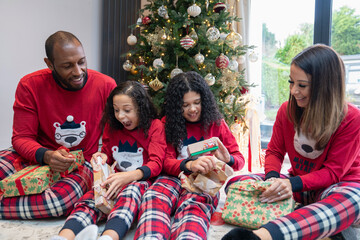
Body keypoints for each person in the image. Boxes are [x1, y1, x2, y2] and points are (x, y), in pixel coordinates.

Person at [222, 44, 360, 240]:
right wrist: (271, 179)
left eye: (302, 85)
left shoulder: (352, 118)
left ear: (325, 86)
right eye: (291, 82)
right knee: (236, 183)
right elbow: (275, 152)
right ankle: (321, 225)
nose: (294, 90)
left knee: (353, 201)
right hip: (301, 189)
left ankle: (263, 236)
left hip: (336, 188)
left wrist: (291, 184)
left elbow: (333, 173)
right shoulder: (286, 110)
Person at [0, 31, 117, 219]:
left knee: (57, 203)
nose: (78, 72)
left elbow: (115, 136)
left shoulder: (105, 85)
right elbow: (21, 138)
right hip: (37, 154)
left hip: (82, 162)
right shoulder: (29, 85)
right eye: (67, 66)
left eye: (81, 62)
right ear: (49, 64)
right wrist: (45, 155)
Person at [135, 71, 245, 240]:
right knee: (153, 197)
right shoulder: (167, 123)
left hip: (204, 180)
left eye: (197, 103)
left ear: (204, 101)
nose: (192, 109)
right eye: (185, 105)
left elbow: (239, 161)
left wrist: (228, 159)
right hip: (172, 177)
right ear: (176, 106)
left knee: (196, 206)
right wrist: (189, 165)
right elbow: (164, 161)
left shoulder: (216, 122)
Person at [51, 81, 167, 240]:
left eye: (127, 110)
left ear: (142, 108)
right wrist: (102, 156)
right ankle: (63, 237)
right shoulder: (112, 125)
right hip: (113, 177)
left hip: (140, 180)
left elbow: (156, 163)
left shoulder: (155, 126)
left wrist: (128, 177)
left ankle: (108, 237)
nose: (120, 116)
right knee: (91, 200)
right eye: (116, 110)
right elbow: (107, 152)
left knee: (129, 196)